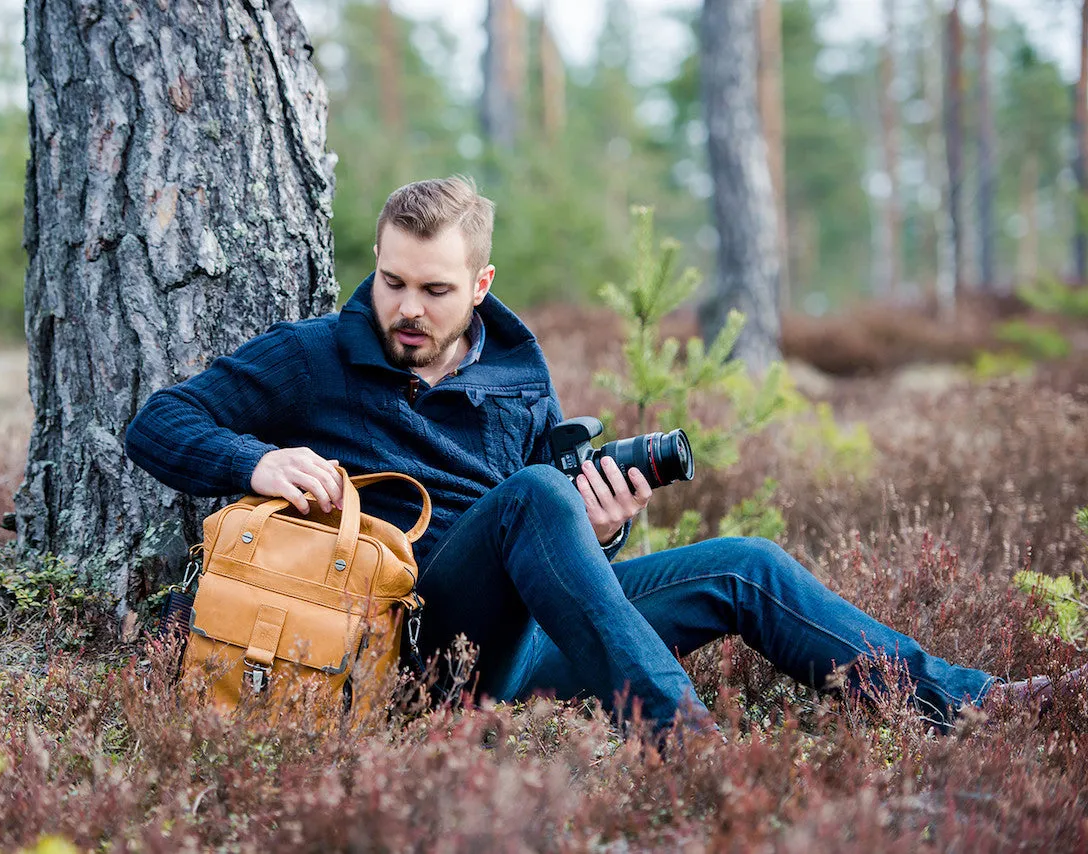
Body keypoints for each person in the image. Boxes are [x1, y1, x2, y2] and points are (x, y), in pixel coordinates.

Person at [124, 176, 1079, 734]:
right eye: (391, 280)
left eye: (436, 289)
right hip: (400, 640)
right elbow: (157, 422)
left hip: (524, 647)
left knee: (743, 564)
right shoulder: (313, 356)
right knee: (538, 489)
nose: (406, 308)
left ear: (482, 284)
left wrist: (607, 534)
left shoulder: (519, 377)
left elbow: (550, 538)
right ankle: (683, 742)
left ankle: (966, 705)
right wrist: (258, 463)